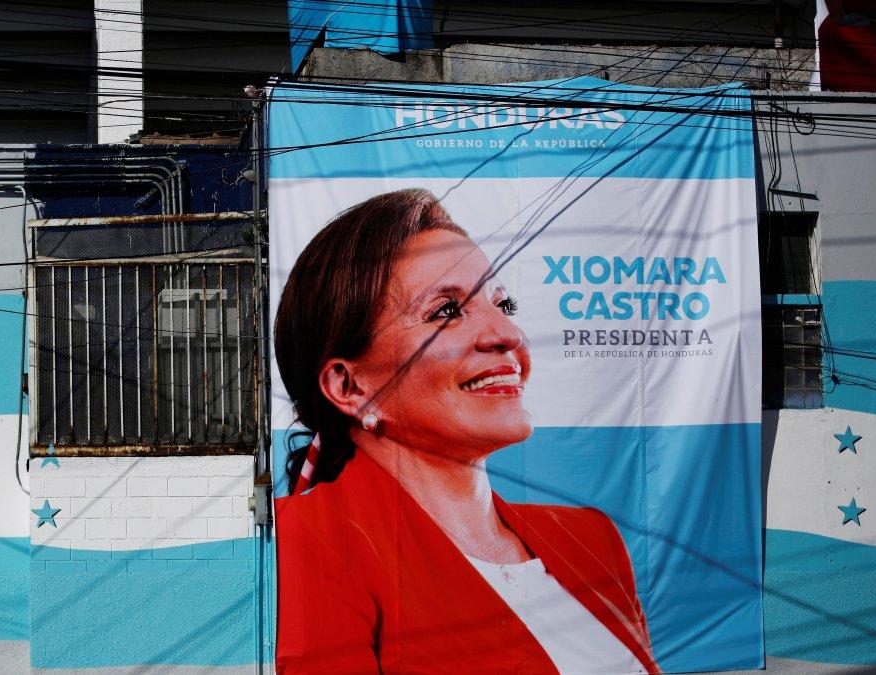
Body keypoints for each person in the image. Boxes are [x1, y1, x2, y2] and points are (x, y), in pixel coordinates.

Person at [274, 188, 659, 674]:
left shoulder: (590, 538)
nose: (507, 334)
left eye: (504, 304)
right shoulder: (307, 545)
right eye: (446, 311)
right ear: (351, 386)